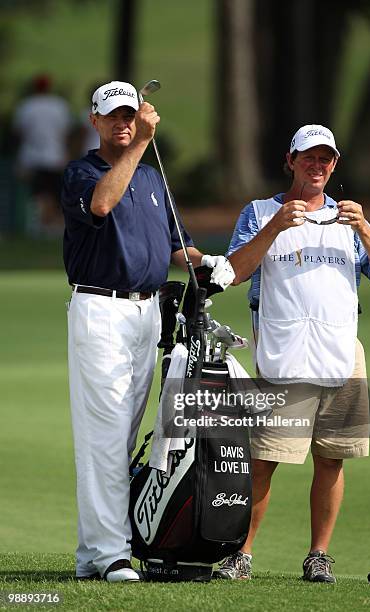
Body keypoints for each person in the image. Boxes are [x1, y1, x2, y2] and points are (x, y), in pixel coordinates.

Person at [61, 80, 235, 583]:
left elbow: (176, 247)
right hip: (101, 309)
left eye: (130, 115)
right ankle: (107, 553)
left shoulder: (154, 180)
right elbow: (101, 206)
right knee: (105, 435)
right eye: (113, 116)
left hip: (146, 313)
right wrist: (138, 146)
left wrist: (211, 263)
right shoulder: (81, 173)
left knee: (126, 432)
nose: (123, 123)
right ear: (94, 121)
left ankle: (97, 553)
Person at [213, 124, 370, 583]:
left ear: (334, 164)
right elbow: (232, 274)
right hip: (285, 354)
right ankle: (242, 554)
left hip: (341, 353)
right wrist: (277, 227)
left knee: (332, 458)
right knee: (264, 460)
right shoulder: (260, 213)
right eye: (308, 158)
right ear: (291, 160)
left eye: (325, 159)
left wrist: (367, 229)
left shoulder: (349, 220)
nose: (317, 166)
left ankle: (318, 555)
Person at [13, 74, 72, 232]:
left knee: (38, 192)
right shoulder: (59, 106)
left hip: (32, 157)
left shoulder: (26, 106)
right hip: (55, 156)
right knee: (54, 192)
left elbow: (19, 133)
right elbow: (65, 133)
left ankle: (40, 224)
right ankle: (49, 225)